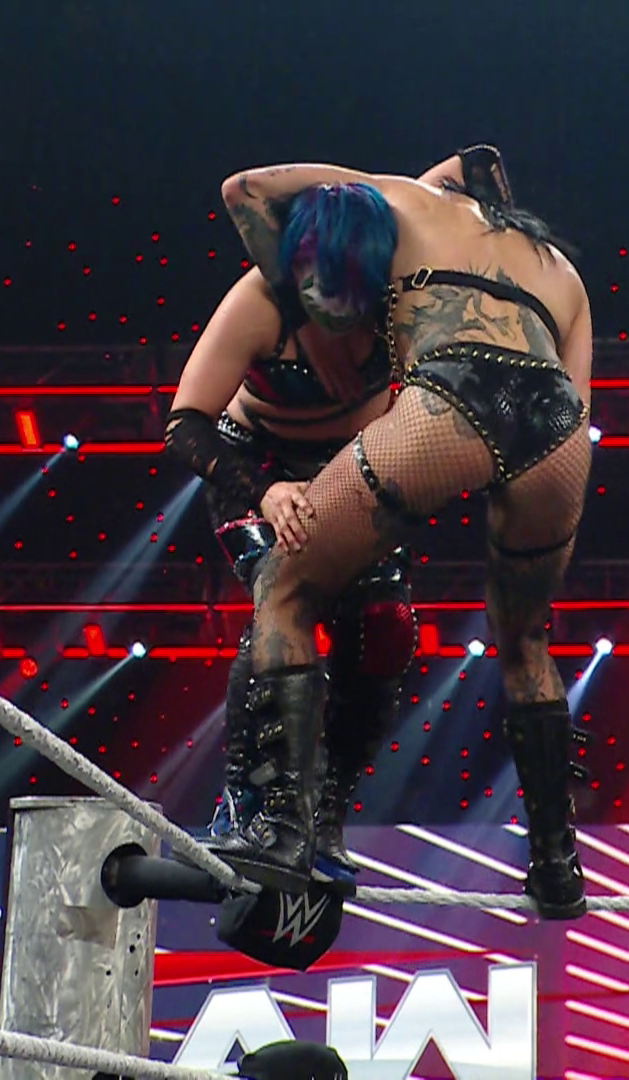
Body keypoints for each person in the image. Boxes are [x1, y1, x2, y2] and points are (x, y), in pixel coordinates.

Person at [203, 151, 595, 920]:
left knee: (285, 585)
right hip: (556, 430)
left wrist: (303, 315)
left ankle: (282, 827)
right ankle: (557, 863)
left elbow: (245, 189)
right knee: (526, 641)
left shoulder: (406, 199)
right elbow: (576, 399)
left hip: (456, 391)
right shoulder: (564, 273)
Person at [163, 151, 497, 890]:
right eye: (319, 288)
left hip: (357, 466)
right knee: (286, 594)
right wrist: (265, 493)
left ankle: (326, 814)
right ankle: (261, 808)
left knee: (384, 628)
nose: (334, 308)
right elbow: (186, 425)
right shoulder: (261, 301)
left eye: (352, 293)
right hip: (257, 465)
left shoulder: (410, 286)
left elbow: (474, 167)